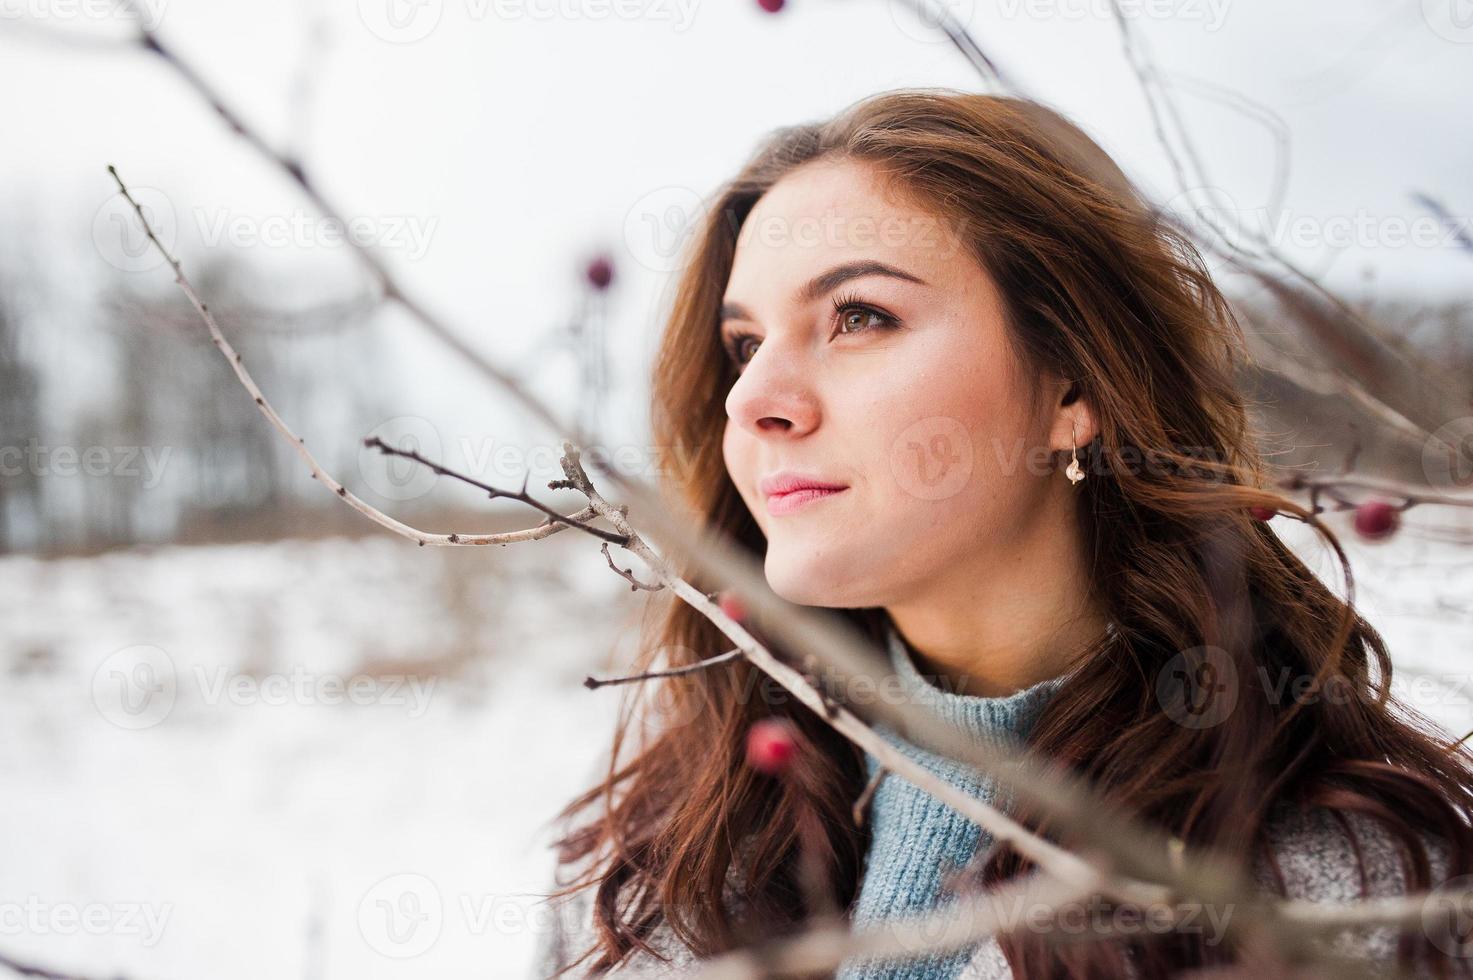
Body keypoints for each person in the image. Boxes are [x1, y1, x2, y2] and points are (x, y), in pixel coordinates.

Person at [532, 88, 1472, 978]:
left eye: (857, 316)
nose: (752, 400)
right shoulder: (656, 852)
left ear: (1072, 384)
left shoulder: (1345, 891)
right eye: (744, 344)